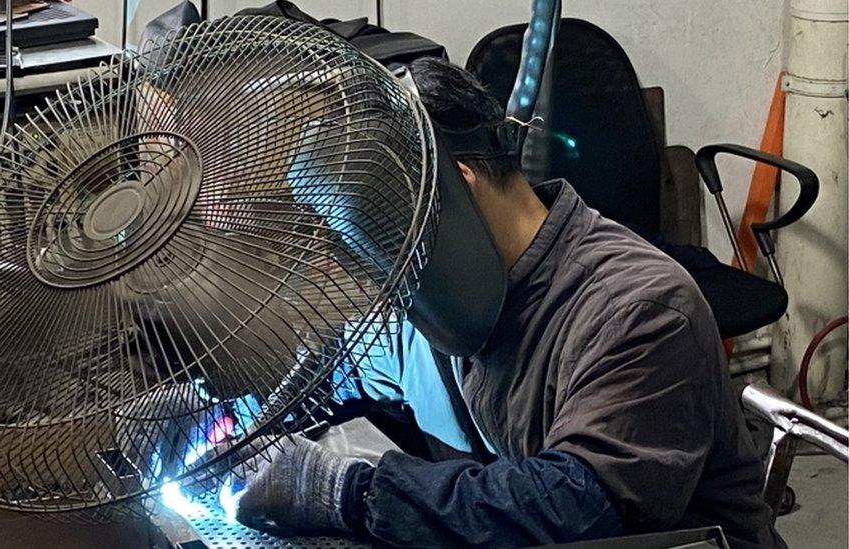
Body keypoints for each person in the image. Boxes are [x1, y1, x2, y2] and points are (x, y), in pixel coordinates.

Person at [231, 57, 784, 548]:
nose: (387, 275)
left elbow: (576, 506)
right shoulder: (437, 303)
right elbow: (352, 361)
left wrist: (350, 493)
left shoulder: (638, 310)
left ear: (455, 191)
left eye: (391, 242)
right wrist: (244, 418)